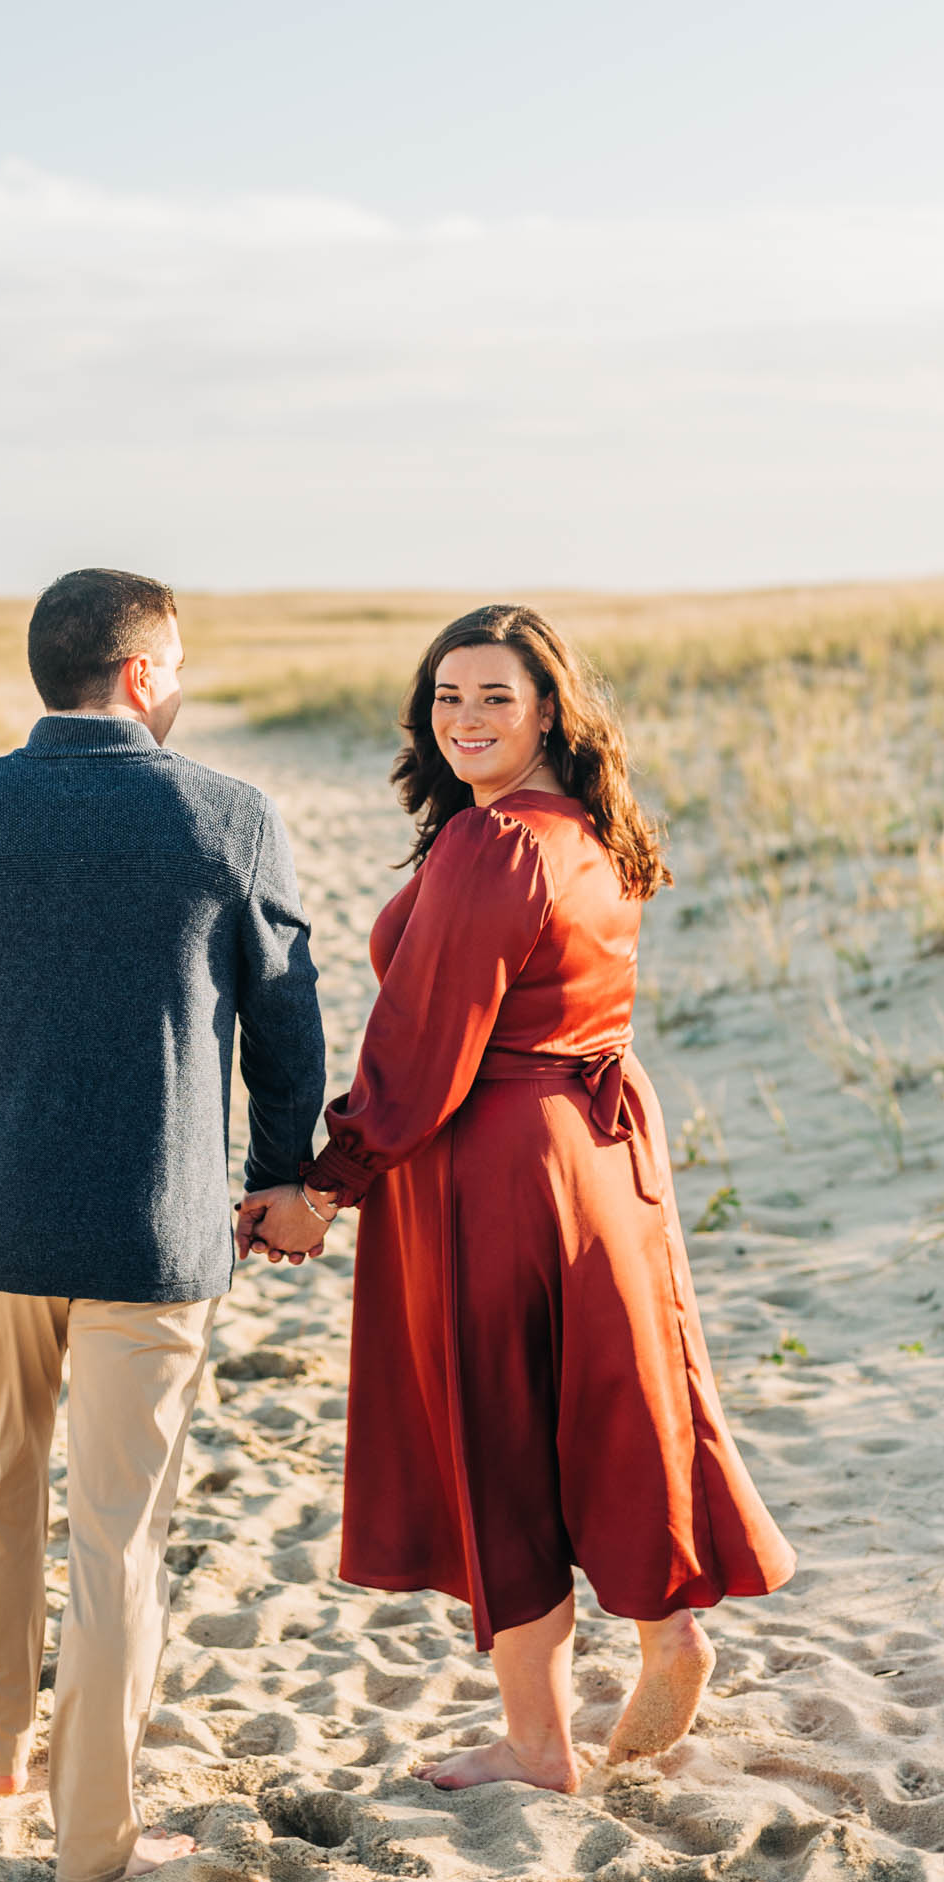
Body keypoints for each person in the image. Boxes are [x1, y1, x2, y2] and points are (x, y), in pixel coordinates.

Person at [238, 603, 795, 1794]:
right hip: (599, 1166)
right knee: (611, 1398)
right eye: (448, 697)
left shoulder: (495, 847)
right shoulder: (589, 830)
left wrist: (326, 1186)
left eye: (495, 695)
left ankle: (540, 1744)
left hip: (498, 1168)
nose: (467, 718)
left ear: (549, 707)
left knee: (501, 1428)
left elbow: (423, 1047)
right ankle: (668, 1629)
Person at [0, 567, 326, 1882]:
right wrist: (277, 1176)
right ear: (138, 674)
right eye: (173, 665)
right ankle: (91, 1846)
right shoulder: (228, 817)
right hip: (153, 1238)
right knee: (117, 1537)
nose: (179, 686)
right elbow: (285, 1029)